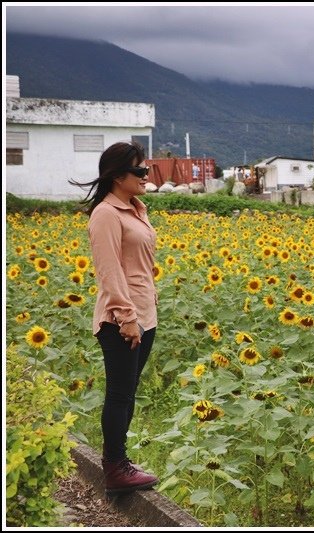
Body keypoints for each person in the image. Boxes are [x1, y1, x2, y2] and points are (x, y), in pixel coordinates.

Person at [69, 141, 159, 494]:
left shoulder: (136, 209)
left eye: (146, 169)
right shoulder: (106, 214)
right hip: (122, 319)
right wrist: (126, 317)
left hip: (144, 315)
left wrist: (143, 310)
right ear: (117, 175)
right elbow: (108, 271)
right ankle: (114, 467)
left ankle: (120, 462)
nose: (146, 175)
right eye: (140, 170)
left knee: (129, 391)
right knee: (120, 394)